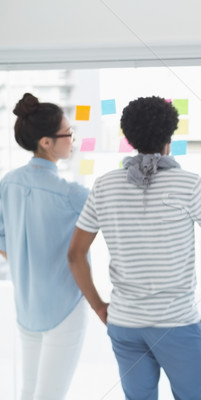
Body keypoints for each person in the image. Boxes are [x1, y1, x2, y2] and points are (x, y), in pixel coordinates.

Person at [67, 96, 201, 400]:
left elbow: (75, 256)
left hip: (125, 323)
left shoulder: (104, 185)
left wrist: (100, 306)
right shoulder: (189, 184)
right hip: (176, 322)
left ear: (129, 137)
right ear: (169, 138)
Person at [0, 93, 89, 399]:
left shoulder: (7, 183)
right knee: (50, 395)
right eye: (68, 133)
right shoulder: (72, 193)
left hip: (27, 305)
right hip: (64, 308)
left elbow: (2, 237)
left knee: (29, 392)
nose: (73, 139)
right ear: (47, 142)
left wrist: (25, 263)